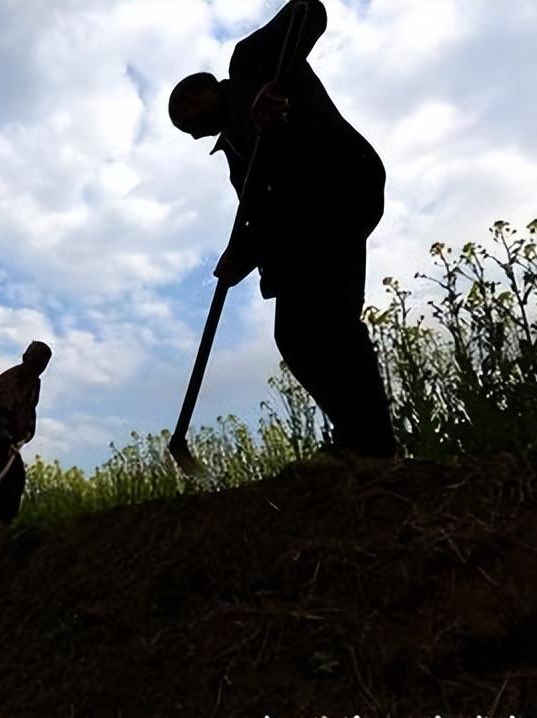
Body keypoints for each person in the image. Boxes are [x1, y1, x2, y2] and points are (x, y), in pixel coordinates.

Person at [168, 0, 396, 458]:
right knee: (295, 335)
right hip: (302, 222)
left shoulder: (249, 62)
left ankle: (373, 444)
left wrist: (277, 98)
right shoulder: (236, 154)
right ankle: (361, 440)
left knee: (329, 319)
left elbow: (308, 12)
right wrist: (238, 257)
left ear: (200, 93)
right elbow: (262, 213)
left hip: (337, 187)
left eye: (186, 124)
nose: (194, 138)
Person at [0, 341, 51, 530]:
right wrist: (7, 439)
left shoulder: (34, 384)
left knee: (15, 479)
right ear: (26, 359)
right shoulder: (8, 380)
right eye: (36, 363)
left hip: (8, 441)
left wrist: (27, 433)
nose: (38, 369)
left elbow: (29, 412)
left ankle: (8, 522)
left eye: (42, 366)